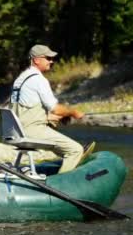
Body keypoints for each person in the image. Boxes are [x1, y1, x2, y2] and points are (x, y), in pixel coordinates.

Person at [9, 44, 95, 173]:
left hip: (15, 132)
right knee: (75, 150)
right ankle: (62, 184)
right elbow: (55, 108)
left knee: (67, 148)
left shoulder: (21, 79)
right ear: (36, 60)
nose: (51, 61)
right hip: (30, 131)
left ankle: (66, 165)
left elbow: (23, 109)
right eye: (48, 58)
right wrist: (73, 112)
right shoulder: (38, 80)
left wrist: (47, 117)